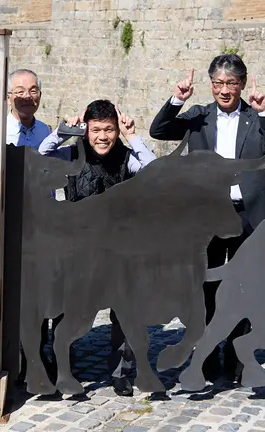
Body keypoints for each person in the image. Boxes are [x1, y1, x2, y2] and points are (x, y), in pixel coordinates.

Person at [149, 54, 265, 382]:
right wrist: (176, 100)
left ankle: (238, 352)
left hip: (249, 214)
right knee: (207, 285)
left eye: (231, 83)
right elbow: (160, 129)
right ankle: (207, 348)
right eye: (218, 83)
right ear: (211, 85)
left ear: (242, 83)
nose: (224, 90)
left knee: (243, 285)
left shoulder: (256, 117)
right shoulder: (198, 116)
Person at [39, 99, 156, 396]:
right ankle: (64, 364)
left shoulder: (127, 157)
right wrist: (65, 131)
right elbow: (41, 154)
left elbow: (157, 173)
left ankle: (121, 372)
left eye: (109, 129)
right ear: (86, 130)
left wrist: (133, 138)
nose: (102, 136)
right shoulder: (71, 154)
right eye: (95, 130)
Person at [6, 69, 51, 149]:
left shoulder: (44, 130)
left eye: (33, 91)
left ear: (40, 96)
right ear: (8, 99)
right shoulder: (1, 133)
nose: (27, 96)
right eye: (20, 91)